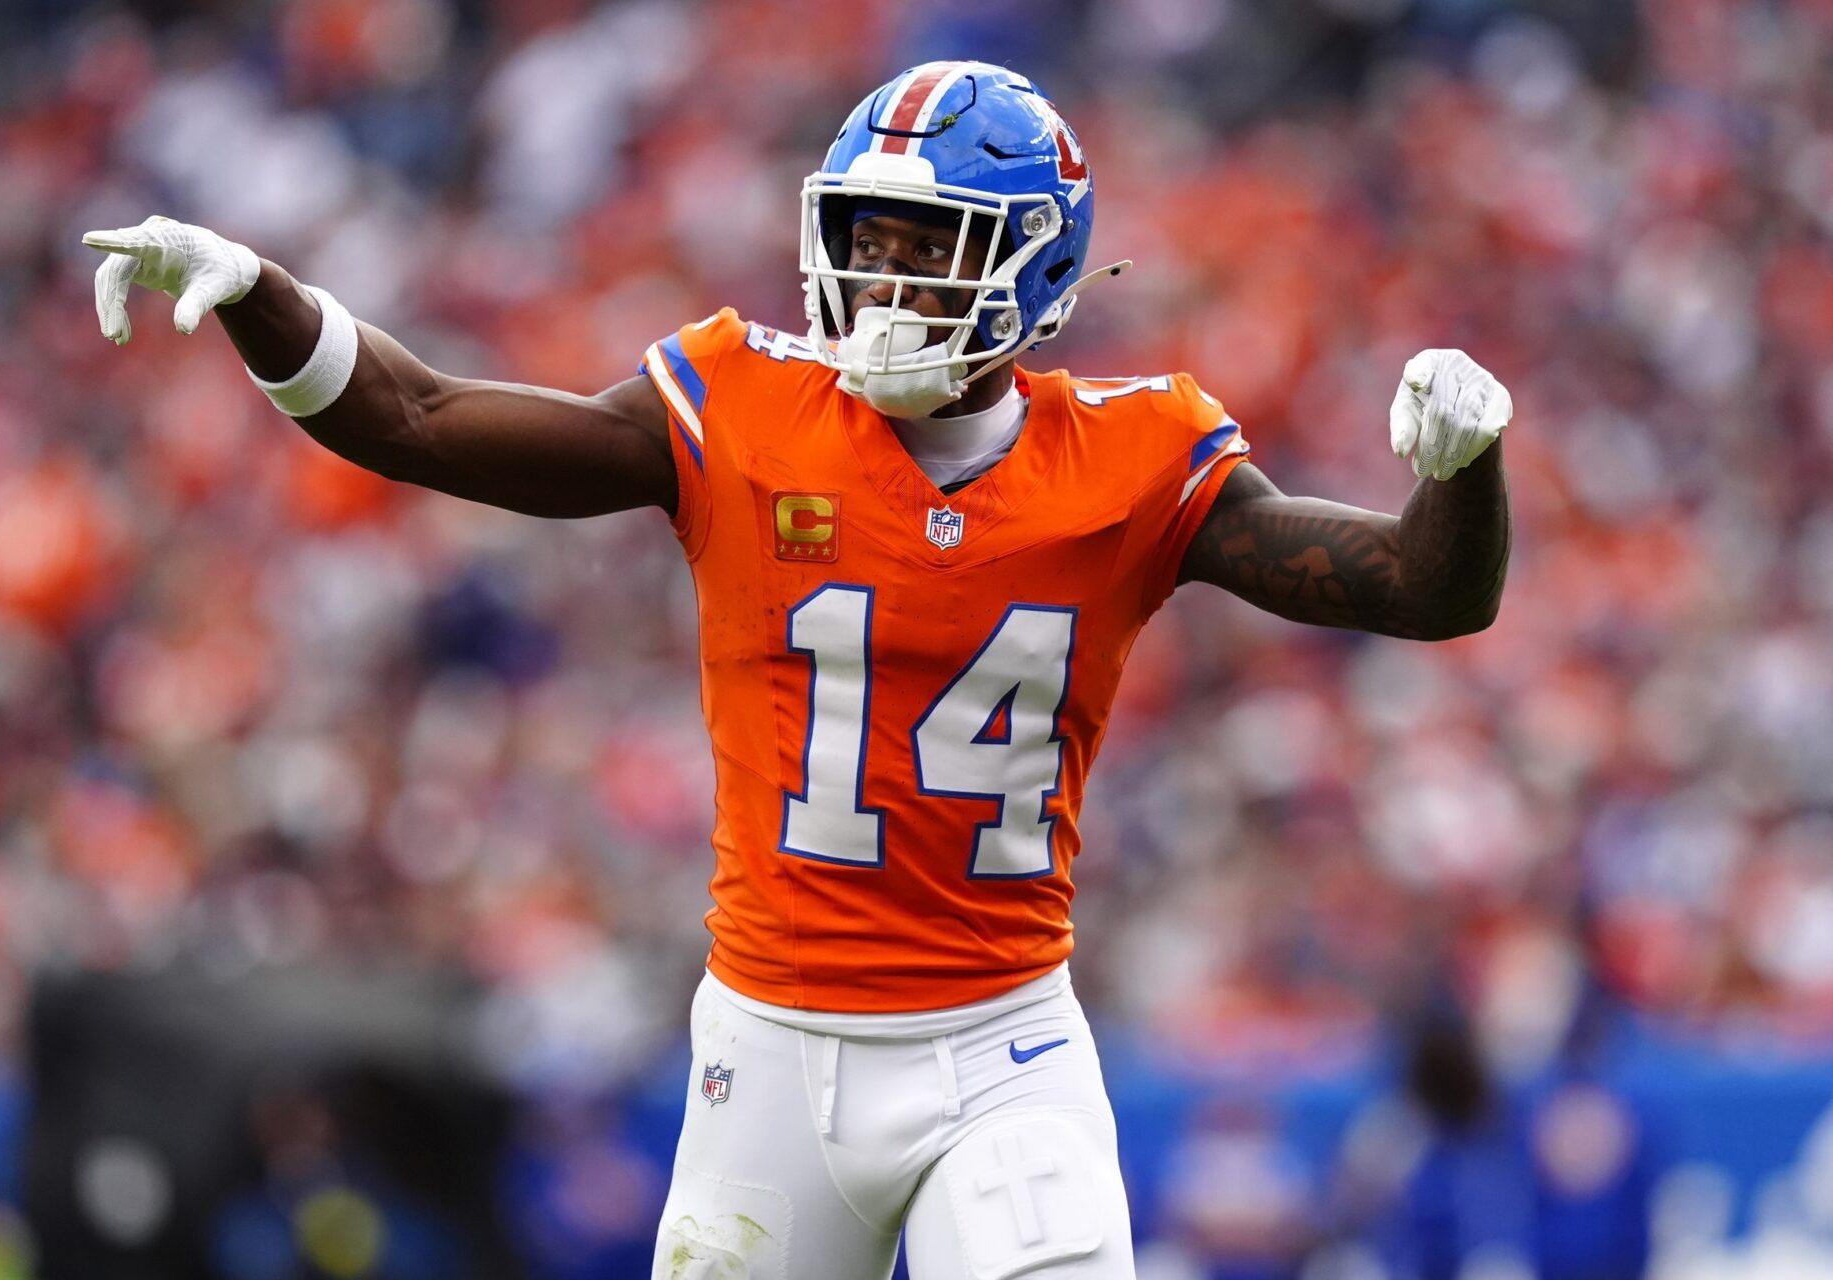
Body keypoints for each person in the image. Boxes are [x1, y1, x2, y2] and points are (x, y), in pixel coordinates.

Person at [85, 59, 1511, 1280]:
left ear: (1041, 266)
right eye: (868, 238)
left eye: (932, 245)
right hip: (767, 1039)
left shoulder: (1134, 461)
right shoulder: (742, 406)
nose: (886, 281)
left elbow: (1423, 587)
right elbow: (427, 417)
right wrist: (269, 301)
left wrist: (1466, 472)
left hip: (999, 1043)